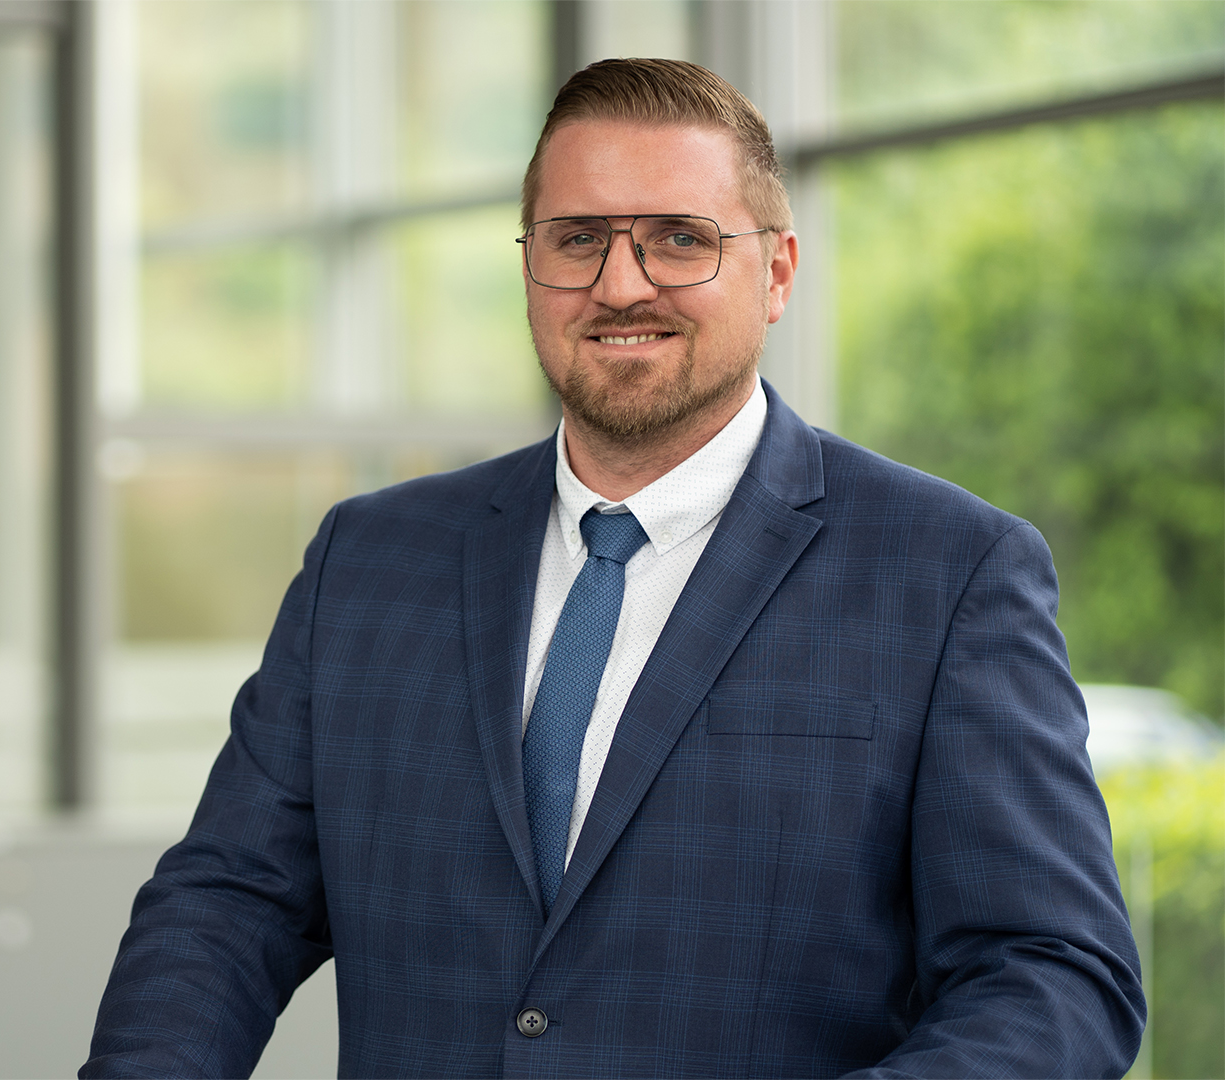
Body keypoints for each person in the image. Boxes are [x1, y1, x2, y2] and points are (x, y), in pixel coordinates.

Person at [83, 59, 1144, 1079]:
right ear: (531, 266)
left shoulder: (948, 572)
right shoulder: (368, 562)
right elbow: (230, 902)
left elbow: (1053, 975)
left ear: (776, 272)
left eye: (681, 239)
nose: (620, 284)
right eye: (578, 238)